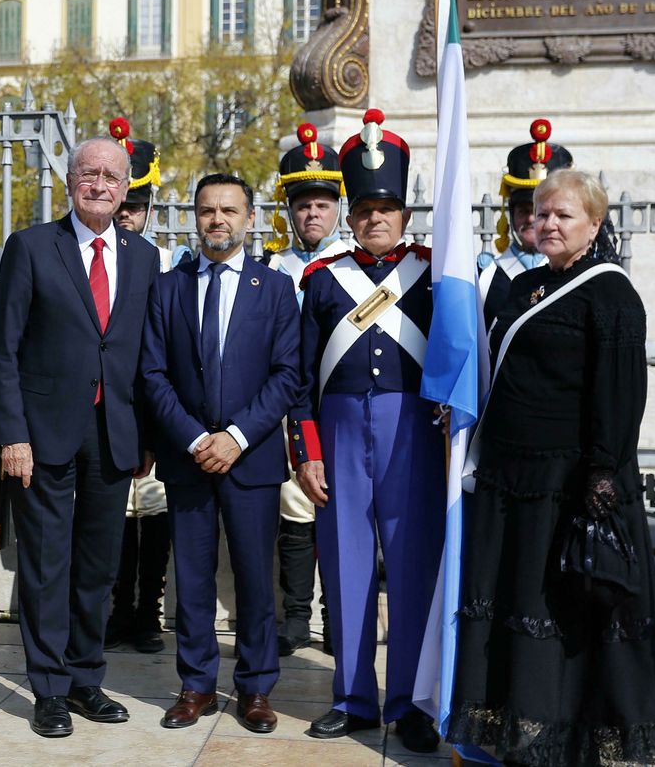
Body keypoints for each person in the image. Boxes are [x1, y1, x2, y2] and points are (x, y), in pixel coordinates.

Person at [449, 168, 655, 765]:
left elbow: (621, 393)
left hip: (570, 484)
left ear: (594, 225)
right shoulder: (525, 285)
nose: (548, 224)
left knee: (563, 614)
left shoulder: (612, 294)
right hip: (512, 479)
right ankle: (519, 734)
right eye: (542, 213)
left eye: (563, 215)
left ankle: (564, 743)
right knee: (517, 608)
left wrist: (601, 473)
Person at [0, 137, 158, 738]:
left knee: (98, 567)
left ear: (126, 187)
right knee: (45, 566)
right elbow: (2, 349)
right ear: (69, 181)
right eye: (89, 173)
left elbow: (146, 354)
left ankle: (87, 680)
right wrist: (12, 435)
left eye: (112, 176)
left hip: (114, 434)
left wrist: (146, 436)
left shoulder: (143, 257)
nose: (100, 185)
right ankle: (50, 689)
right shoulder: (32, 247)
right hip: (42, 435)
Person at [289, 110, 442, 751]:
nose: (375, 218)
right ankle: (352, 697)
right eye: (365, 210)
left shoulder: (432, 273)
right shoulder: (324, 280)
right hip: (341, 432)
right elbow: (301, 376)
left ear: (404, 214)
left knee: (412, 567)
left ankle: (410, 702)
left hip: (414, 433)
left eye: (386, 209)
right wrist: (308, 452)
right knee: (345, 567)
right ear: (349, 218)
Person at [139, 173, 300, 734]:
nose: (217, 220)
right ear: (195, 217)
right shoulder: (169, 288)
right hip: (187, 457)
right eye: (208, 210)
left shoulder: (274, 289)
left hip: (250, 458)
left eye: (229, 210)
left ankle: (255, 687)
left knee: (256, 578)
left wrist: (236, 436)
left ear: (250, 218)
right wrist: (193, 438)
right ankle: (196, 685)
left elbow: (287, 374)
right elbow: (153, 373)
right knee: (193, 579)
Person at [262, 122, 347, 658]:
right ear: (288, 210)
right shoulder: (274, 266)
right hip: (287, 403)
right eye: (302, 205)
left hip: (338, 401)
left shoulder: (355, 264)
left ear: (338, 207)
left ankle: (339, 616)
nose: (312, 213)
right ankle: (296, 616)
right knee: (295, 507)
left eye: (322, 204)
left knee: (341, 508)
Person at [103, 117, 184, 656]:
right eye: (122, 203)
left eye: (136, 204)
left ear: (150, 206)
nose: (126, 214)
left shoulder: (169, 263)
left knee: (154, 510)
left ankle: (148, 612)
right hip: (108, 405)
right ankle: (116, 609)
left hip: (153, 405)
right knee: (113, 513)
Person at [478, 119, 573, 327]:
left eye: (540, 213)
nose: (531, 219)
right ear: (511, 214)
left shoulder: (575, 272)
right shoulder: (486, 275)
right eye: (523, 211)